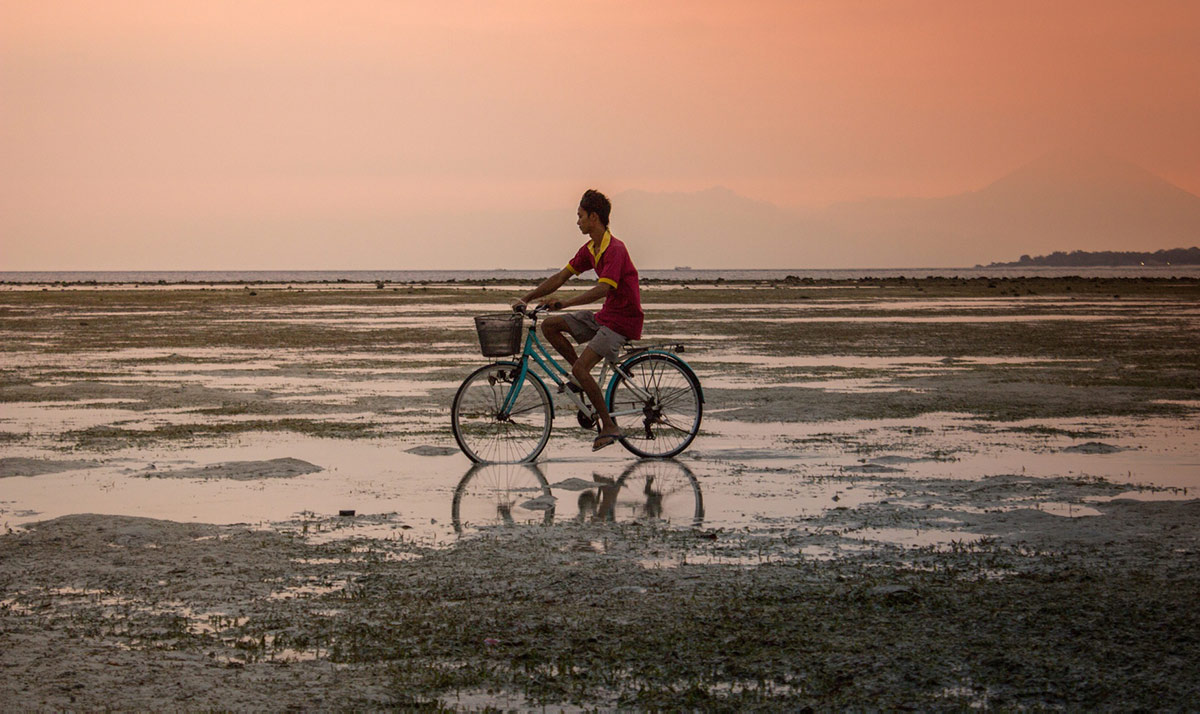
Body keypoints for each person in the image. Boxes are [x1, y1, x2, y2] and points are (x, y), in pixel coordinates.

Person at [513, 189, 643, 451]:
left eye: (580, 216)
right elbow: (560, 277)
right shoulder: (591, 249)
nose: (578, 222)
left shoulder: (615, 249)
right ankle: (580, 380)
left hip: (622, 322)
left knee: (582, 369)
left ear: (594, 217)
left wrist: (566, 303)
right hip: (605, 316)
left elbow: (602, 289)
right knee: (551, 326)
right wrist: (526, 298)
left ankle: (609, 426)